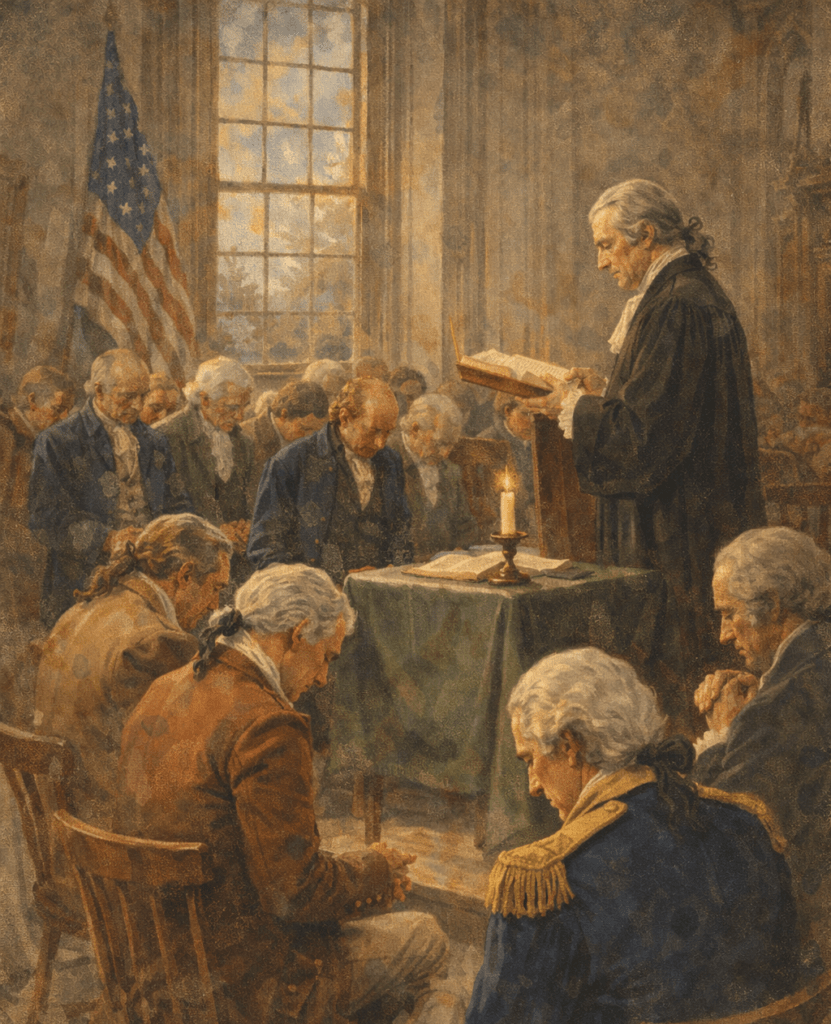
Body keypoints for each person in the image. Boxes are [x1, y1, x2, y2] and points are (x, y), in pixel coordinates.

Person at [118, 563, 463, 1024]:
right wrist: (375, 869)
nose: (322, 678)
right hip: (245, 991)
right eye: (327, 657)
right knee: (428, 940)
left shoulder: (162, 689)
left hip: (159, 975)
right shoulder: (269, 726)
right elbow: (294, 894)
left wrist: (353, 872)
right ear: (298, 634)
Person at [466, 646, 800, 1024]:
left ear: (569, 746)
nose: (532, 788)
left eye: (530, 760)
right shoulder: (746, 823)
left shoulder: (546, 883)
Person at [526, 179, 765, 681]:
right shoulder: (680, 293)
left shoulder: (677, 303)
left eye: (606, 245)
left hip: (676, 532)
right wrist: (599, 395)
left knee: (672, 673)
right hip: (683, 520)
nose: (600, 262)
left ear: (647, 234)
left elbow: (644, 437)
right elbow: (657, 403)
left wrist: (571, 407)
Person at [34, 513, 231, 833]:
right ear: (185, 575)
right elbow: (171, 776)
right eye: (215, 588)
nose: (214, 605)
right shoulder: (159, 642)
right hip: (110, 845)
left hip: (63, 829)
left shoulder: (77, 612)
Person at [691, 526, 831, 961]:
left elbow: (715, 830)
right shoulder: (819, 651)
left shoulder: (775, 709)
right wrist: (765, 687)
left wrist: (724, 732)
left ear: (772, 606)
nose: (723, 635)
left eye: (729, 614)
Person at [28, 349, 192, 627]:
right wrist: (108, 539)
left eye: (142, 395)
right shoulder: (57, 441)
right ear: (98, 390)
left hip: (151, 579)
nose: (138, 405)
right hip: (83, 582)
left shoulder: (156, 442)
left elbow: (179, 503)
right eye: (127, 396)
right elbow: (45, 519)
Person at [248, 377, 412, 583]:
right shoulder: (290, 462)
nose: (380, 443)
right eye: (373, 431)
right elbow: (265, 549)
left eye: (388, 432)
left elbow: (401, 532)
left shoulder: (391, 461)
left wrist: (392, 570)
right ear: (345, 418)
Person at [0, 366, 76, 722]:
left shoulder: (47, 442)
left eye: (67, 412)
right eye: (57, 409)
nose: (62, 419)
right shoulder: (4, 436)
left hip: (31, 566)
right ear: (31, 401)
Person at [156, 357, 255, 570]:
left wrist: (246, 525)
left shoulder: (244, 443)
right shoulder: (165, 436)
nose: (240, 416)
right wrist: (214, 531)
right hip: (186, 559)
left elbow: (247, 500)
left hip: (234, 559)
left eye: (244, 406)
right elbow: (162, 510)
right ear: (205, 400)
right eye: (231, 407)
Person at [390, 393, 478, 559]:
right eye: (439, 444)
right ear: (415, 430)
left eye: (450, 445)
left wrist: (459, 549)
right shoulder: (386, 459)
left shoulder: (450, 471)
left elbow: (467, 525)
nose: (445, 454)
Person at [477, 392, 536, 540]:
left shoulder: (539, 440)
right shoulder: (486, 442)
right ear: (507, 411)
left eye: (536, 415)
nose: (532, 422)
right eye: (526, 414)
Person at [241, 380, 329, 467]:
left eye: (315, 431)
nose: (309, 436)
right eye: (304, 428)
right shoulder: (244, 437)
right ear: (284, 415)